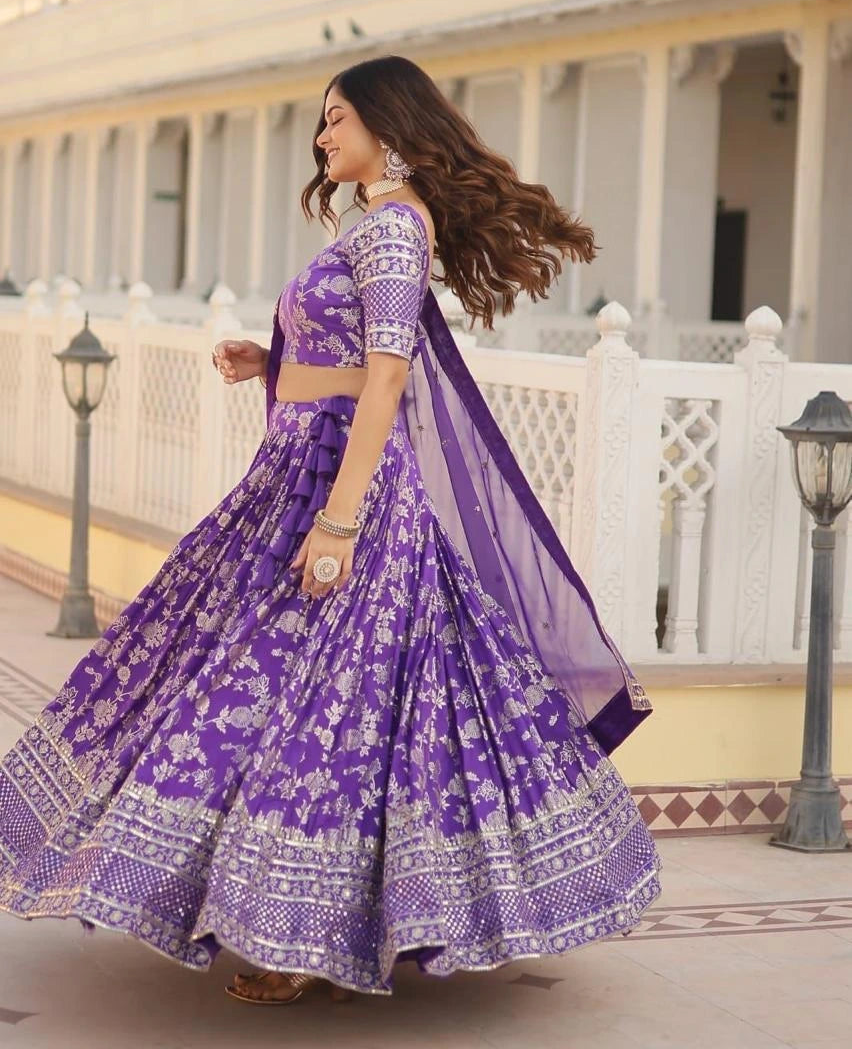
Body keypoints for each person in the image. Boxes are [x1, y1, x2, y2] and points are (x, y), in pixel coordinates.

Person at [0, 55, 662, 1006]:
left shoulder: (392, 229)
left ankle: (304, 934)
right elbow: (353, 357)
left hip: (342, 490)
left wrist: (341, 523)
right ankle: (284, 919)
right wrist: (273, 361)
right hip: (301, 472)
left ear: (388, 128)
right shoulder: (378, 223)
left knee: (323, 704)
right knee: (260, 681)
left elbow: (388, 377)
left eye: (336, 118)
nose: (322, 137)